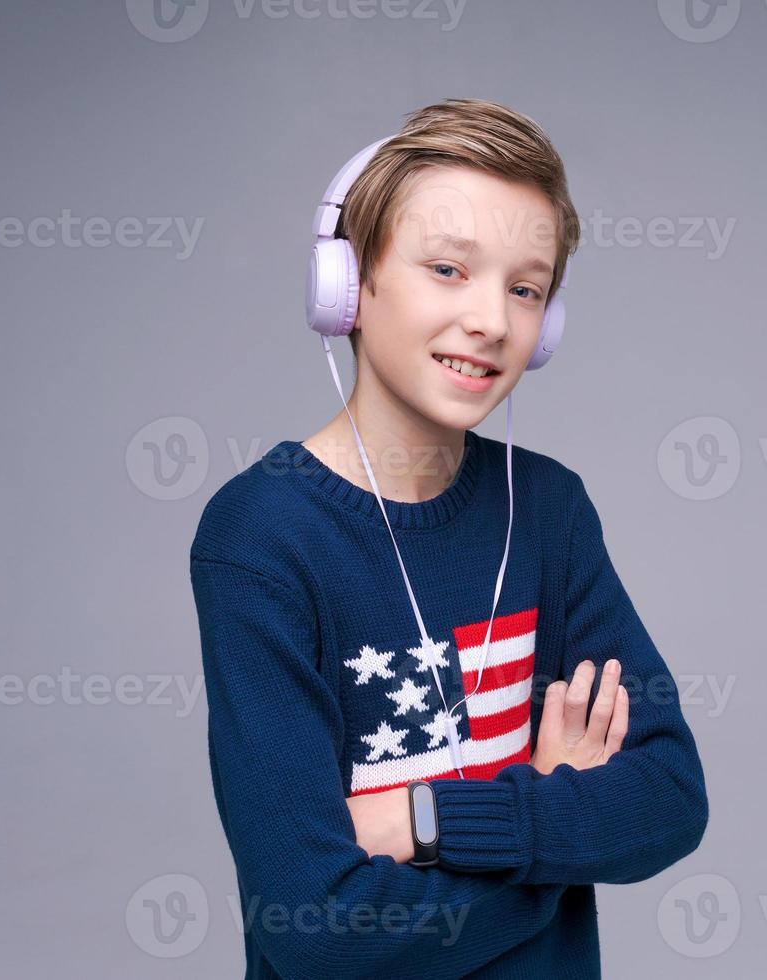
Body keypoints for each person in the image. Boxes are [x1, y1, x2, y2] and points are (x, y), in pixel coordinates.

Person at [189, 97, 709, 979]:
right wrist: (550, 823)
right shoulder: (262, 538)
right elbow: (318, 930)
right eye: (446, 269)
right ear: (349, 285)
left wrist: (422, 819)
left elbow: (667, 800)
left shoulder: (550, 511)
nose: (492, 322)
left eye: (525, 288)